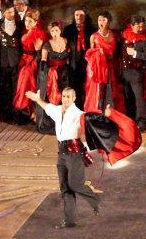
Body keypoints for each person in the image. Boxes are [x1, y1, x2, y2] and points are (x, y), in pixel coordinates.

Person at [27, 87, 101, 229]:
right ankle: (70, 220)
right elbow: (47, 107)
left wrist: (107, 115)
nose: (65, 99)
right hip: (61, 153)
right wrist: (38, 100)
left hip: (75, 154)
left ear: (74, 98)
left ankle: (95, 199)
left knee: (75, 185)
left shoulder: (79, 114)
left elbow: (93, 122)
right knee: (65, 187)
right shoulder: (58, 110)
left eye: (68, 97)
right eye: (64, 96)